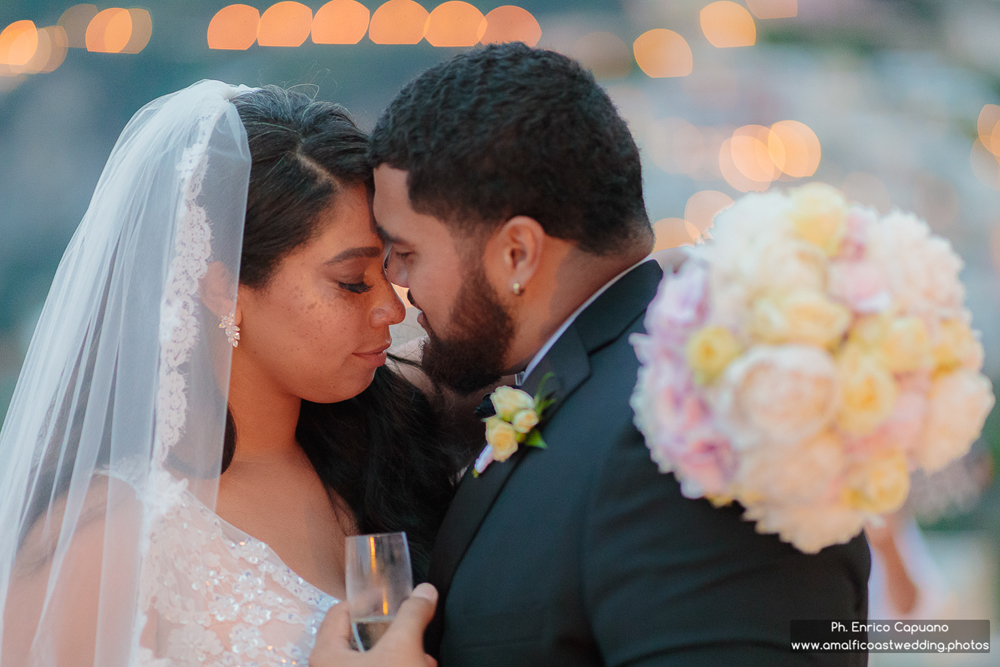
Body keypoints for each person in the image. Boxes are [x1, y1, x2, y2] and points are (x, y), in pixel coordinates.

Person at [313, 43, 871, 666]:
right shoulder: (597, 380)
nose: (399, 284)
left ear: (517, 253)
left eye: (407, 252)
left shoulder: (687, 434)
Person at [0, 81, 453, 665]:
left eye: (393, 269)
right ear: (222, 288)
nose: (394, 308)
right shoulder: (102, 535)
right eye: (351, 282)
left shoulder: (394, 446)